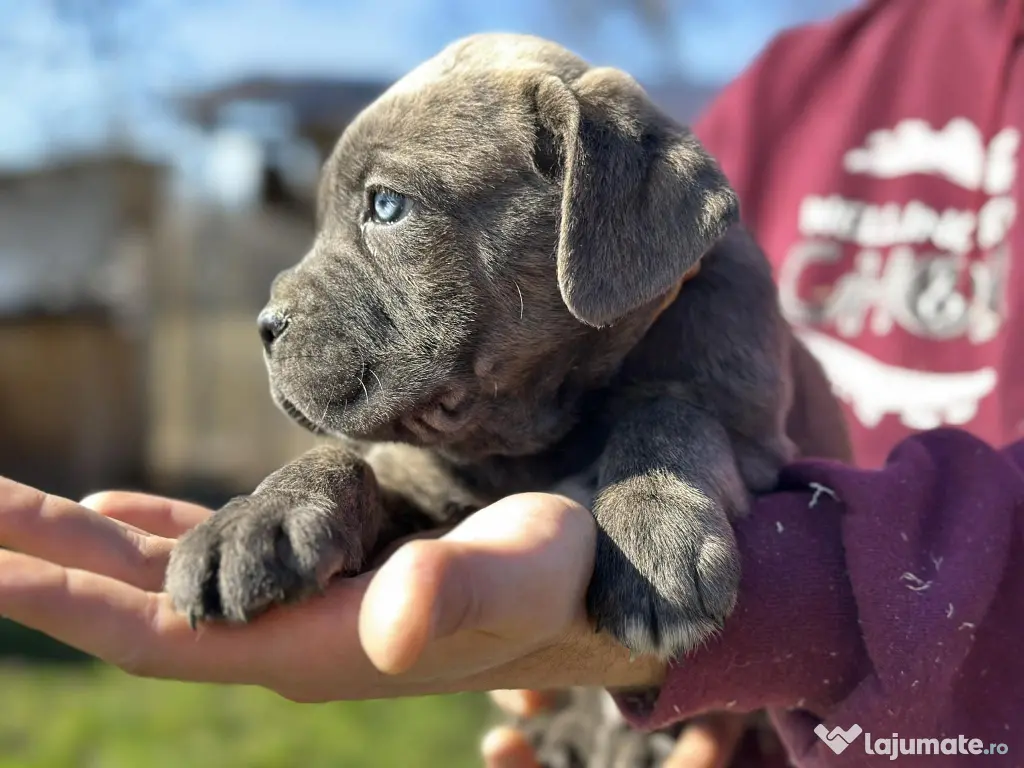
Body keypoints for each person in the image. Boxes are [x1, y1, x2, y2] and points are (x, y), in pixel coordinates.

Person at [0, 0, 1020, 766]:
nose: (284, 306)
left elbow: (751, 449)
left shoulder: (702, 285)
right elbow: (418, 492)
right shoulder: (805, 82)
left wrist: (675, 463)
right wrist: (331, 491)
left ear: (603, 216)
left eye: (387, 210)